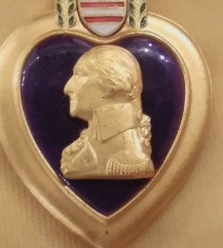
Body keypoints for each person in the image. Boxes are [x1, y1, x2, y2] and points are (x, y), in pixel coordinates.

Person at [60, 45, 154, 180]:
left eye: (80, 74)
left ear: (115, 83)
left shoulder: (131, 162)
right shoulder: (76, 154)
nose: (67, 88)